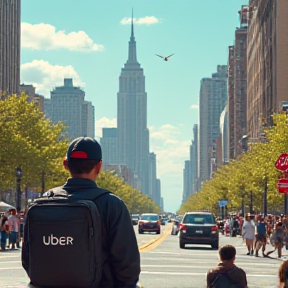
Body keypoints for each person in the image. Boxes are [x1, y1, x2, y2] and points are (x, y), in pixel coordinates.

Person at [22, 136, 141, 288]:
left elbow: (28, 259)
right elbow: (127, 264)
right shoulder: (112, 204)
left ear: (65, 164)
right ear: (99, 166)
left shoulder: (44, 200)